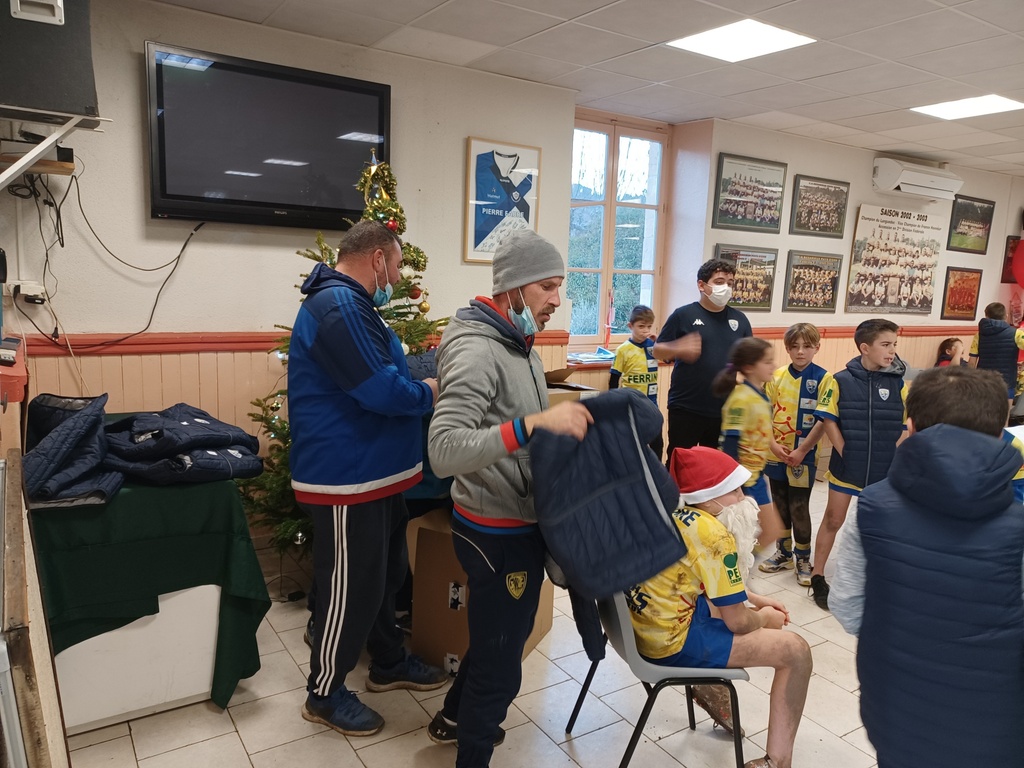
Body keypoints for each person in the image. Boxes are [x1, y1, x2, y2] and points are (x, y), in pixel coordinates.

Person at [427, 229, 593, 768]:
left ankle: (454, 717)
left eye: (560, 286)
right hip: (494, 530)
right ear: (512, 288)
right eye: (547, 286)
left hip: (516, 520)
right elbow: (444, 450)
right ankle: (471, 754)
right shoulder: (479, 350)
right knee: (501, 664)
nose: (557, 299)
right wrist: (530, 427)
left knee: (499, 636)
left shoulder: (515, 342)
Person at [288, 220, 448, 736]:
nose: (397, 278)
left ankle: (388, 661)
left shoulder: (354, 305)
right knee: (349, 587)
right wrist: (430, 390)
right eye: (396, 266)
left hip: (376, 476)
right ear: (377, 258)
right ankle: (325, 694)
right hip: (346, 479)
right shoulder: (338, 306)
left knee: (383, 577)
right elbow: (382, 390)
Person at [830, 366, 1024, 768]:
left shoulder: (870, 507)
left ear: (911, 426)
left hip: (895, 706)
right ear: (999, 431)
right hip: (996, 721)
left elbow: (846, 603)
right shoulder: (1017, 526)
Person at [628, 446, 812, 768]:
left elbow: (711, 585)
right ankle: (777, 762)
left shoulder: (675, 514)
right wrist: (763, 617)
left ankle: (712, 691)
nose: (744, 499)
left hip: (646, 630)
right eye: (735, 491)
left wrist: (757, 601)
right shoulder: (715, 535)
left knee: (735, 613)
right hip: (671, 644)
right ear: (710, 498)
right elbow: (737, 623)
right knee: (796, 652)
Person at [809, 319, 908, 611]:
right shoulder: (839, 380)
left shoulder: (898, 382)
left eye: (894, 345)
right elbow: (828, 418)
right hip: (846, 468)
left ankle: (876, 577)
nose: (892, 351)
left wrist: (893, 452)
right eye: (885, 345)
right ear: (865, 348)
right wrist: (845, 451)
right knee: (833, 520)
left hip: (883, 471)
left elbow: (906, 423)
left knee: (879, 525)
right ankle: (817, 576)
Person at [654, 259, 753, 458]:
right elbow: (657, 351)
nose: (726, 288)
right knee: (681, 462)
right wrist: (677, 347)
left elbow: (749, 360)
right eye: (719, 282)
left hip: (723, 408)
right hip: (686, 406)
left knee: (715, 466)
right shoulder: (683, 315)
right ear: (701, 285)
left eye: (730, 283)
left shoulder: (740, 320)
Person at [761, 323, 832, 587]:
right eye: (795, 346)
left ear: (817, 348)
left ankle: (803, 558)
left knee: (799, 506)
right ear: (787, 348)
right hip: (776, 454)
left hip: (805, 456)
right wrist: (772, 445)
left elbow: (824, 420)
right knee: (780, 505)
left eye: (807, 346)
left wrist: (802, 450)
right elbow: (763, 414)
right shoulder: (776, 376)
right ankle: (783, 553)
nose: (801, 351)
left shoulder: (825, 379)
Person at [711, 337, 783, 546]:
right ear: (750, 367)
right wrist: (735, 486)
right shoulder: (741, 399)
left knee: (769, 532)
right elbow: (730, 445)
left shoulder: (760, 395)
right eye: (767, 362)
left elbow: (760, 428)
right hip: (742, 480)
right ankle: (739, 564)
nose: (773, 366)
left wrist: (774, 447)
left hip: (755, 475)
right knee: (769, 531)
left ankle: (742, 563)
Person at [609, 304, 663, 460]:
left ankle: (656, 470)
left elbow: (669, 357)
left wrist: (658, 342)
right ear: (630, 326)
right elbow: (614, 379)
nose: (645, 330)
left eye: (649, 326)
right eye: (641, 326)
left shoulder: (653, 346)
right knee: (633, 444)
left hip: (651, 404)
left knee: (657, 443)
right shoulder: (623, 350)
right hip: (632, 405)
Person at [968, 301, 1024, 399]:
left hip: (983, 380)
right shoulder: (1017, 333)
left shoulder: (979, 336)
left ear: (986, 316)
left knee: (982, 408)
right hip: (1006, 381)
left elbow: (972, 363)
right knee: (1004, 408)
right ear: (1006, 316)